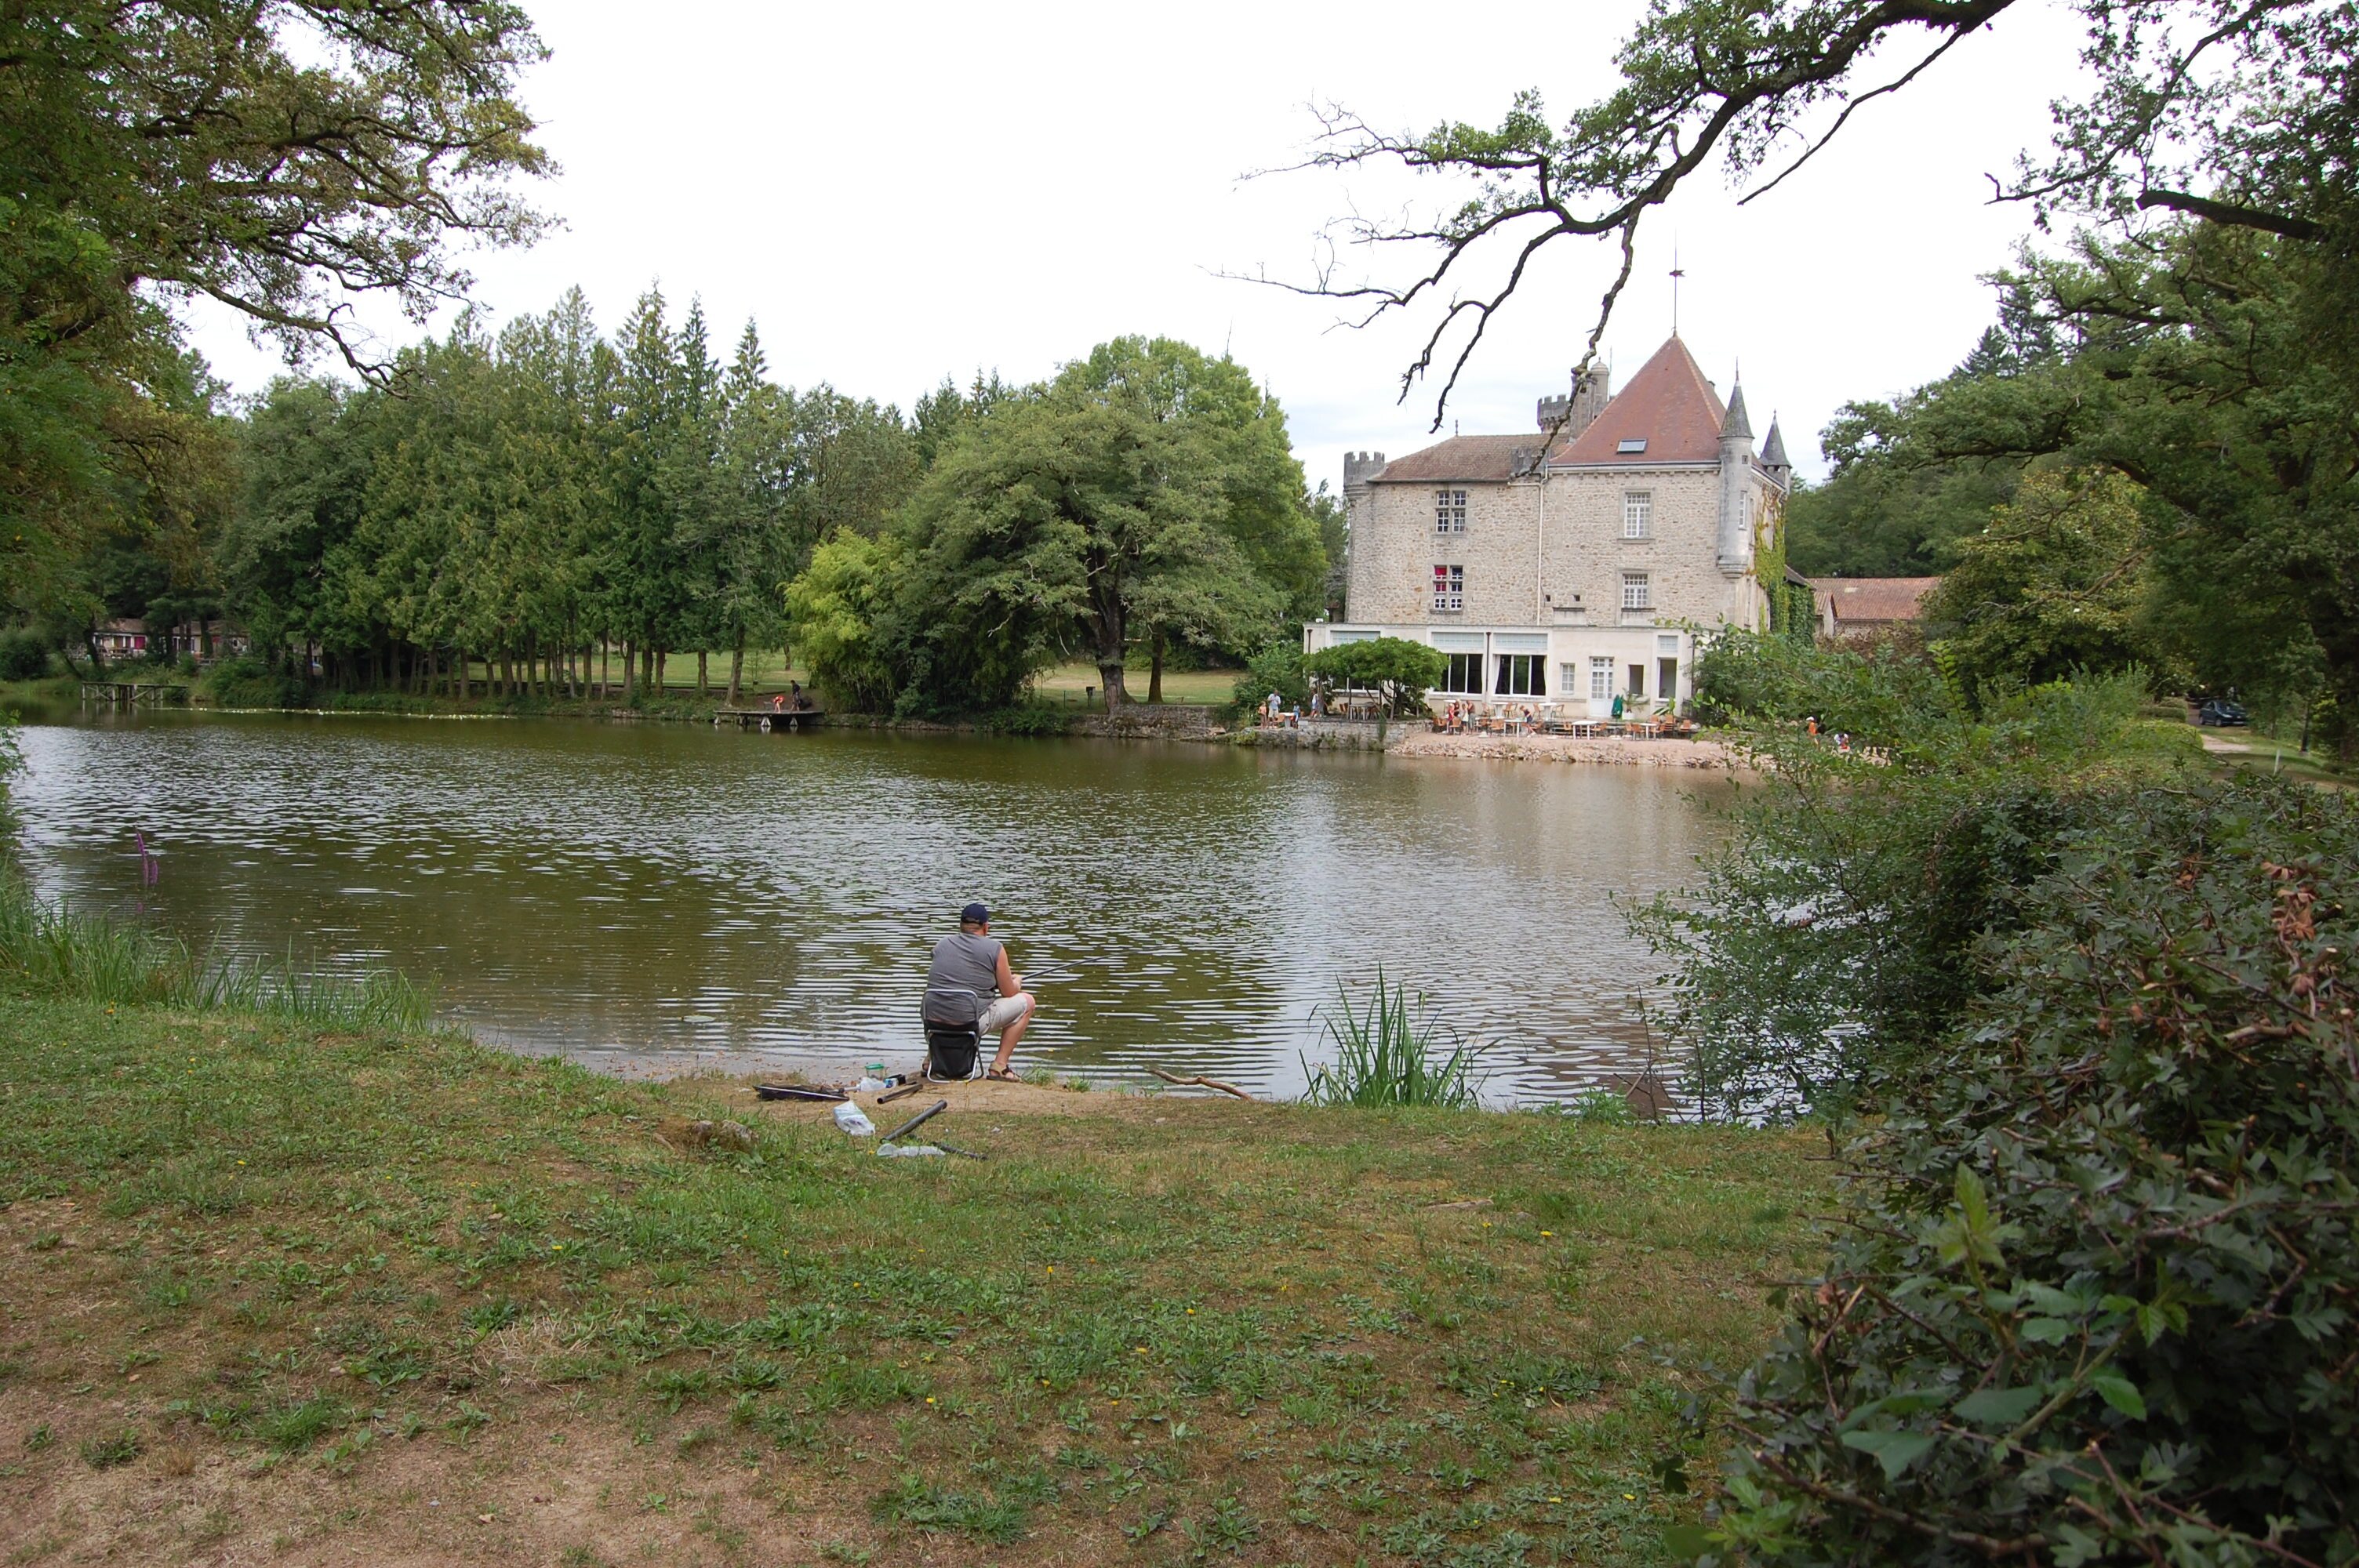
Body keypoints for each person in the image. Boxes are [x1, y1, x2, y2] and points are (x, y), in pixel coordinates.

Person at [924, 902, 1034, 1080]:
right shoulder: (995, 948)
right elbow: (1009, 992)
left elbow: (950, 973)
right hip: (968, 1023)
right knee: (1028, 1002)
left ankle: (931, 1060)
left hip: (933, 1023)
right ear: (986, 927)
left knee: (943, 999)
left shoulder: (941, 944)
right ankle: (1000, 1066)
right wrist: (1017, 981)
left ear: (961, 926)